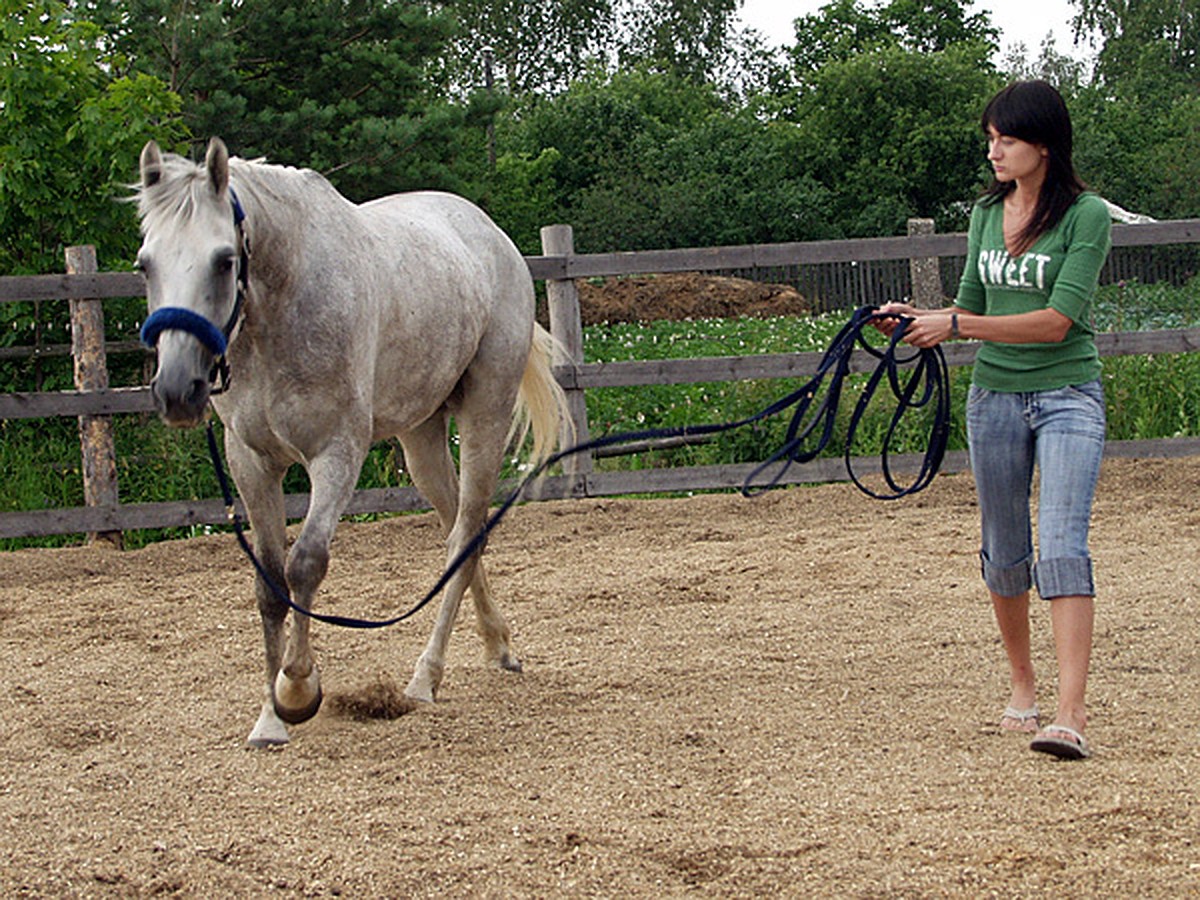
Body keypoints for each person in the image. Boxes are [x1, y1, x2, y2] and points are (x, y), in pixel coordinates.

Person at [876, 80, 1111, 760]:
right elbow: (970, 304)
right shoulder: (986, 214)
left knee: (1062, 546)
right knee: (1003, 546)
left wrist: (955, 323)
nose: (995, 151)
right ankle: (1022, 685)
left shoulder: (1085, 216)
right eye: (990, 139)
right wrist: (926, 320)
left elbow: (1056, 321)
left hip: (1068, 391)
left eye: (1006, 139)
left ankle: (1069, 712)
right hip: (995, 397)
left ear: (1043, 144)